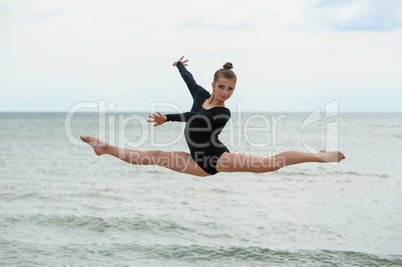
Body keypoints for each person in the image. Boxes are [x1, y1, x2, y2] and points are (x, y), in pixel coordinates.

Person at [80, 56, 345, 177]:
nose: (226, 92)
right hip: (196, 162)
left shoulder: (222, 113)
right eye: (221, 87)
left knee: (269, 164)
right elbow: (189, 80)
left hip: (217, 158)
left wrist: (168, 118)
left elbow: (197, 119)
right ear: (214, 84)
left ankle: (320, 156)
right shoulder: (199, 94)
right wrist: (180, 65)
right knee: (154, 157)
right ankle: (104, 148)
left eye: (231, 89)